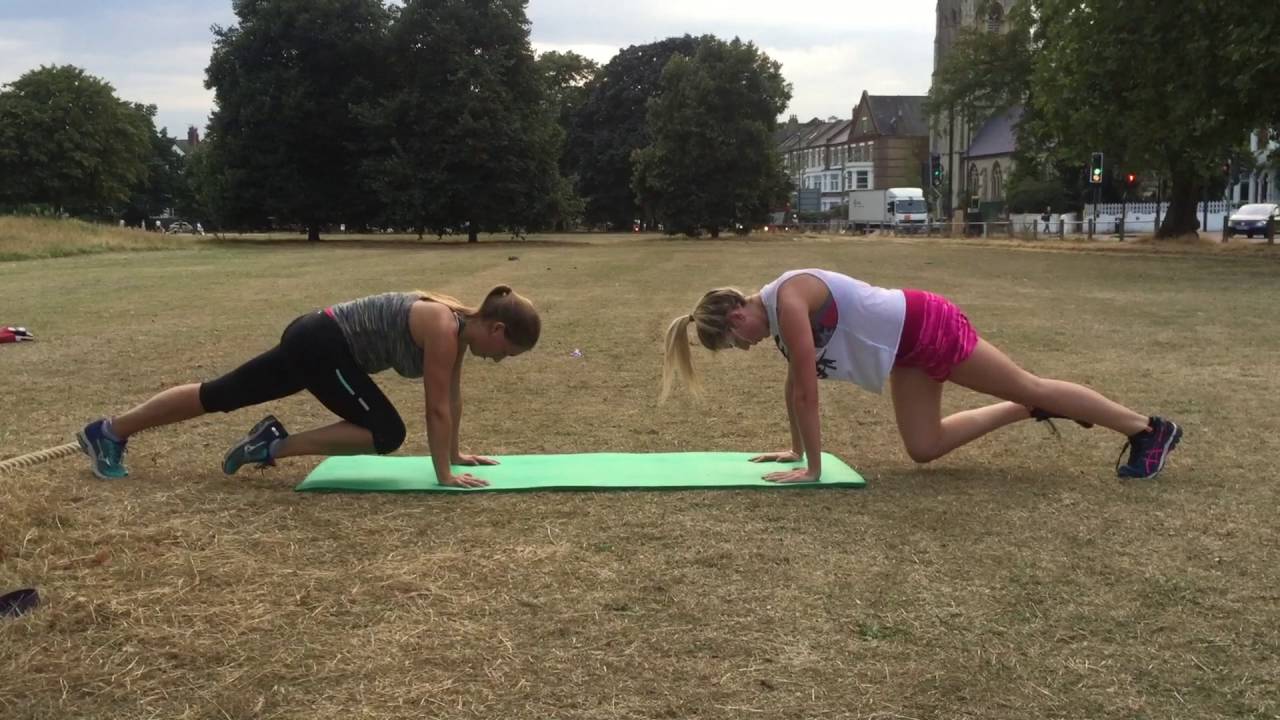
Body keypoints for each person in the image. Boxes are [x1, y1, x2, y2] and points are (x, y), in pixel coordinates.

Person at [661, 269, 1181, 483]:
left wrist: (813, 470)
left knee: (1029, 382)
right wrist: (794, 451)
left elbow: (807, 394)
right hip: (904, 352)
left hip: (929, 325)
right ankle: (1028, 411)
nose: (746, 347)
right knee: (924, 448)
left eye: (737, 343)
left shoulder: (790, 298)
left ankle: (1147, 429)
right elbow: (793, 385)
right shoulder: (777, 318)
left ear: (736, 318)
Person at [77, 286, 540, 488]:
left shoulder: (457, 330)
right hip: (322, 344)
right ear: (497, 329)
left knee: (219, 394)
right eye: (506, 352)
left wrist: (456, 456)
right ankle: (270, 446)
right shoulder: (443, 326)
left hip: (314, 338)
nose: (500, 360)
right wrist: (444, 476)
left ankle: (110, 431)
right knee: (386, 432)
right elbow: (435, 409)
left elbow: (452, 400)